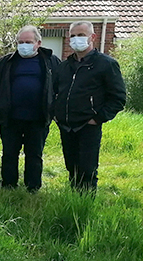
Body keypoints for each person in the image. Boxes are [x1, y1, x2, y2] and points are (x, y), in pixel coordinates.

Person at [52, 21, 126, 192]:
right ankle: (73, 198)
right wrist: (55, 113)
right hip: (66, 125)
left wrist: (98, 118)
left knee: (87, 169)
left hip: (88, 126)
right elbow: (54, 92)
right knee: (72, 167)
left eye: (81, 35)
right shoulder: (64, 66)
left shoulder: (106, 64)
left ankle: (85, 205)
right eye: (73, 36)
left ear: (92, 37)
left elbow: (118, 97)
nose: (76, 39)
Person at [0, 25, 60, 192]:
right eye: (20, 42)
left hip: (38, 118)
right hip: (10, 118)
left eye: (28, 42)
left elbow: (60, 86)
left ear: (38, 43)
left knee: (34, 155)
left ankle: (33, 187)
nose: (23, 45)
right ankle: (8, 185)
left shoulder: (51, 62)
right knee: (9, 154)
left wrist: (53, 107)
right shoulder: (6, 62)